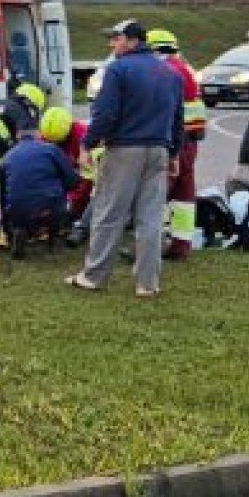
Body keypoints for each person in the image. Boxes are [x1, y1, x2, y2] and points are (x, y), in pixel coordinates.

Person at [67, 19, 183, 298]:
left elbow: (105, 114)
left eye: (116, 39)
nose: (112, 44)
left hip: (124, 149)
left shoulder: (118, 70)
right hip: (158, 149)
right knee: (151, 218)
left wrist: (87, 143)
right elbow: (177, 118)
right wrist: (175, 152)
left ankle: (94, 276)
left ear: (132, 41)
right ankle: (147, 283)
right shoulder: (171, 74)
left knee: (109, 213)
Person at [148, 28, 208, 209]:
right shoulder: (186, 68)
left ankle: (155, 232)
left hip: (172, 140)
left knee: (159, 192)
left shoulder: (163, 71)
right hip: (191, 140)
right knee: (184, 190)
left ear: (154, 50)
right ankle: (182, 237)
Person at [0, 123, 80, 243]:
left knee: (22, 206)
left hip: (18, 212)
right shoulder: (51, 149)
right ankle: (54, 231)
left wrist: (6, 225)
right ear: (39, 134)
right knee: (56, 198)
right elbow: (72, 180)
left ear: (17, 136)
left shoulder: (7, 156)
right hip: (50, 209)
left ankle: (21, 229)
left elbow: (2, 195)